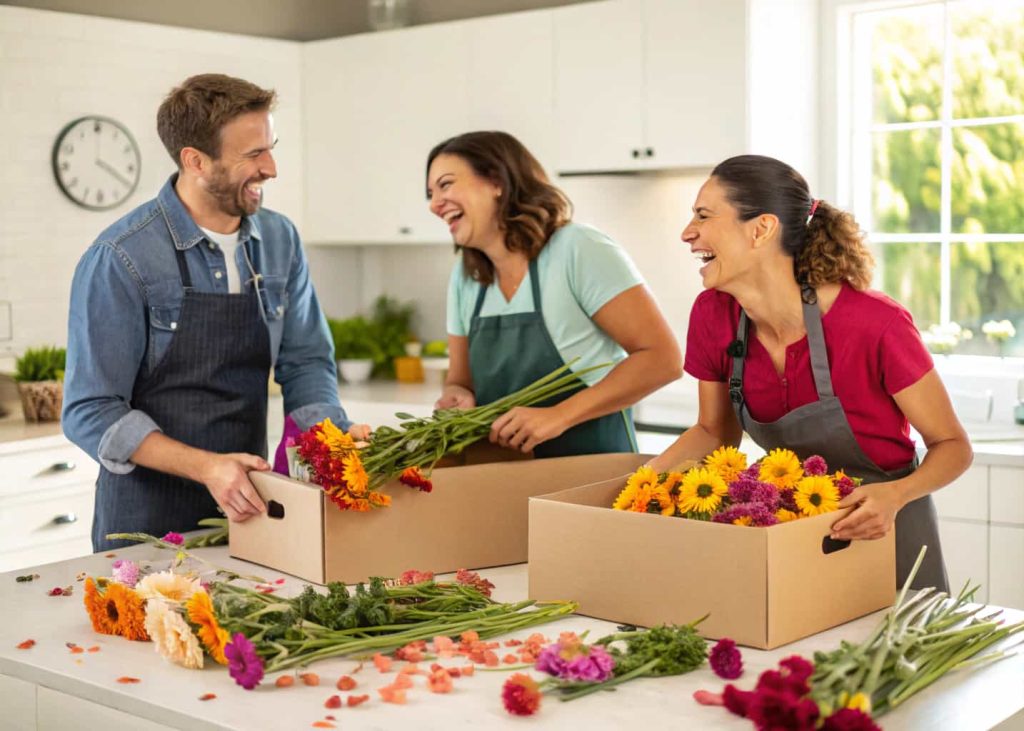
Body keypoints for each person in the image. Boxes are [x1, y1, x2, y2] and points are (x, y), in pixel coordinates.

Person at [63, 74, 366, 551]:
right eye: (253, 155)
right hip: (144, 526)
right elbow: (89, 410)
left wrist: (331, 439)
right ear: (195, 160)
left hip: (248, 513)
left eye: (271, 147)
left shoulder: (280, 241)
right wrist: (207, 466)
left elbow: (306, 362)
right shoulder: (122, 257)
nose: (272, 168)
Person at [649, 154, 972, 590]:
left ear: (761, 229)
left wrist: (895, 496)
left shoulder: (875, 324)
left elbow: (953, 446)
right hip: (792, 535)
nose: (688, 233)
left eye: (703, 216)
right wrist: (640, 489)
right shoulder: (713, 315)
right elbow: (713, 431)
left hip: (887, 530)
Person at [426, 131, 682, 457]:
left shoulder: (578, 249)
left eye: (445, 185)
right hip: (504, 480)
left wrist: (558, 416)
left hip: (593, 474)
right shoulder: (467, 277)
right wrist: (456, 396)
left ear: (497, 181)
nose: (434, 204)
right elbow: (461, 381)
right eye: (430, 193)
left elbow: (663, 359)